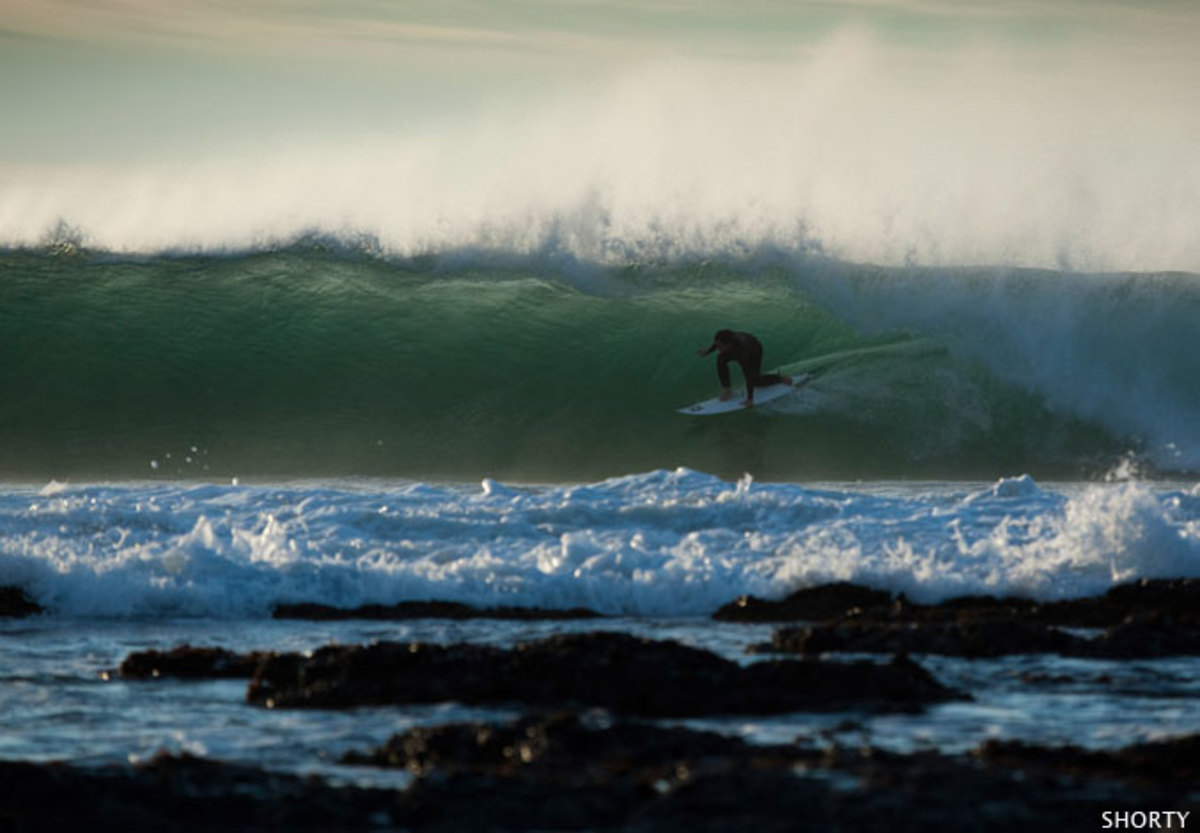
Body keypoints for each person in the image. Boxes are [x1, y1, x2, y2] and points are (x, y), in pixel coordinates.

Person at [696, 329, 792, 407]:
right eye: (717, 345)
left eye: (720, 346)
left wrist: (750, 399)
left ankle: (780, 378)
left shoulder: (743, 351)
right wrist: (707, 352)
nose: (718, 348)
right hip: (735, 349)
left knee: (755, 381)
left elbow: (749, 376)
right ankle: (727, 389)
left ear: (728, 344)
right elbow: (717, 343)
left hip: (754, 351)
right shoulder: (726, 340)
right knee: (720, 359)